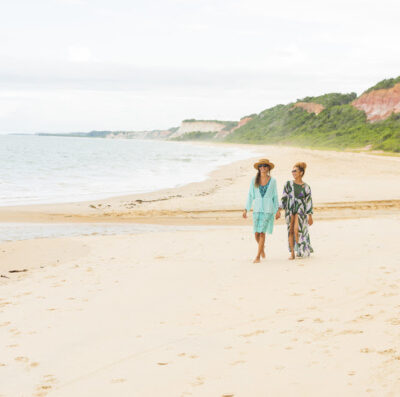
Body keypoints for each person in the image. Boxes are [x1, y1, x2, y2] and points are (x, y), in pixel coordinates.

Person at [243, 158, 279, 263]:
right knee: (256, 234)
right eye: (261, 166)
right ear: (258, 168)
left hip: (268, 209)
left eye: (265, 166)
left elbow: (275, 196)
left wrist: (277, 210)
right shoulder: (254, 180)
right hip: (257, 209)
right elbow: (250, 195)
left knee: (262, 233)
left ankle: (258, 256)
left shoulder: (273, 181)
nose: (263, 167)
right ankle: (262, 248)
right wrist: (246, 209)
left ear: (268, 168)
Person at [276, 162, 313, 259]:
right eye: (292, 171)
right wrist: (278, 210)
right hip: (289, 209)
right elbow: (284, 198)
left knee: (297, 230)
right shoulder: (288, 184)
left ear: (301, 172)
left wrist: (310, 216)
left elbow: (309, 201)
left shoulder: (306, 187)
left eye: (295, 171)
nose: (293, 173)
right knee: (290, 230)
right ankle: (292, 253)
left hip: (301, 211)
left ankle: (300, 250)